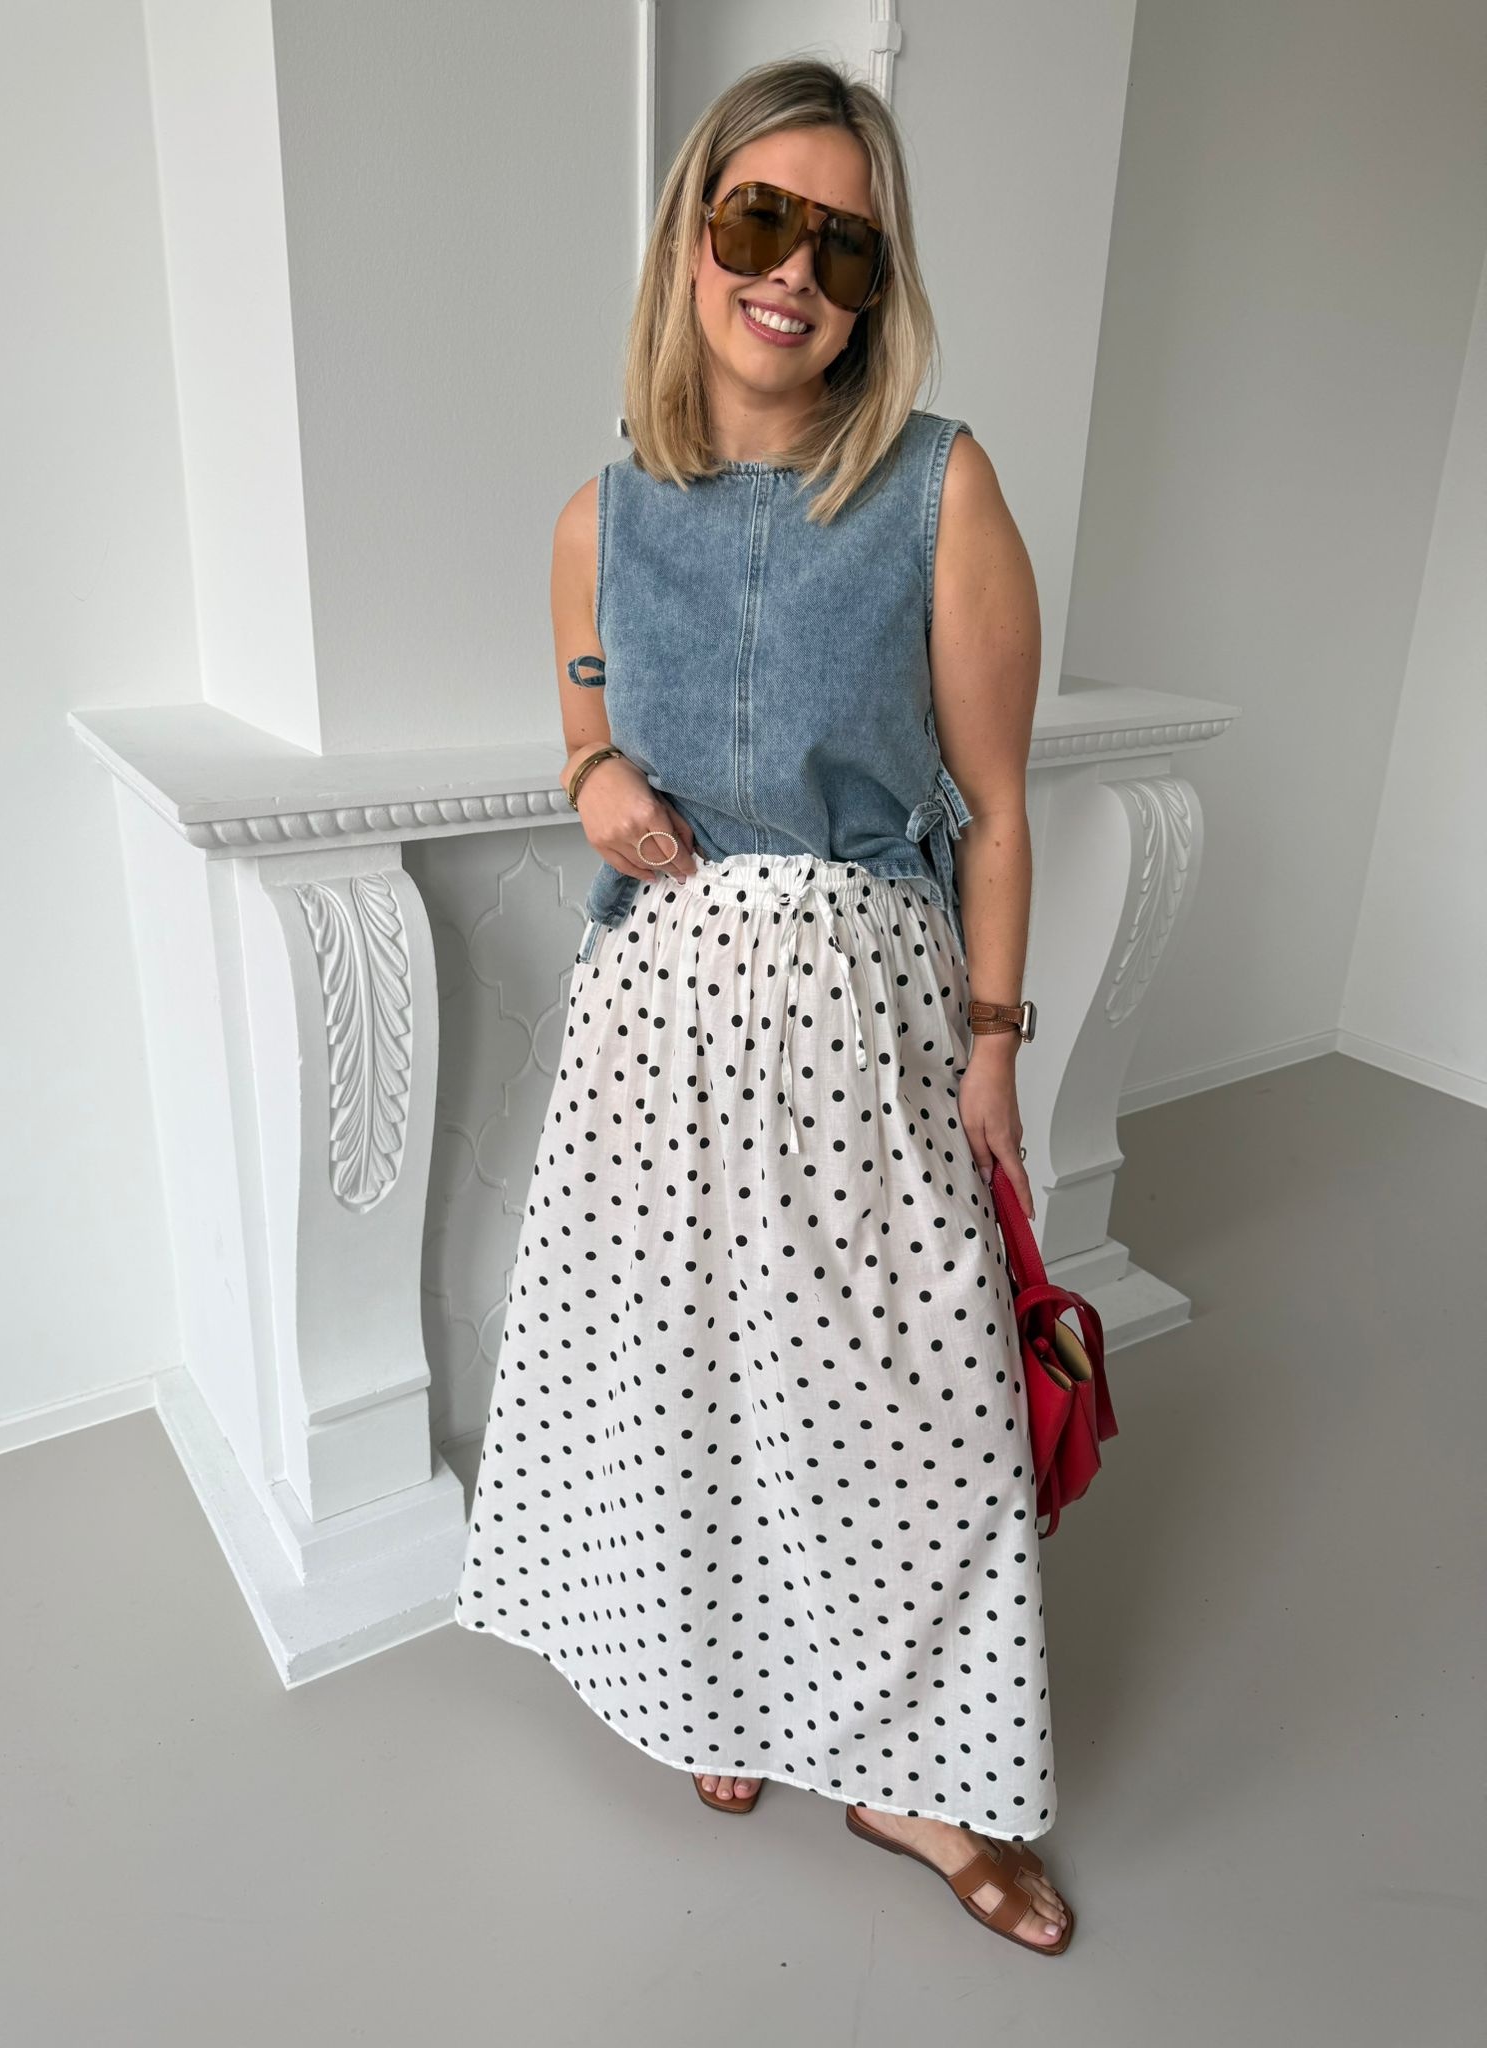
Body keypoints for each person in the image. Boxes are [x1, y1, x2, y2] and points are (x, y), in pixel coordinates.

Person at [455, 55, 1071, 1956]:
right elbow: (583, 718)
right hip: (655, 1026)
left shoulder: (939, 489)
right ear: (691, 239)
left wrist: (993, 1047)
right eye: (759, 218)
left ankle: (911, 1777)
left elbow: (996, 805)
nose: (794, 268)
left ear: (874, 291)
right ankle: (719, 1692)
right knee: (682, 1380)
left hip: (862, 1022)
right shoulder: (596, 517)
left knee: (906, 1400)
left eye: (845, 245)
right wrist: (592, 782)